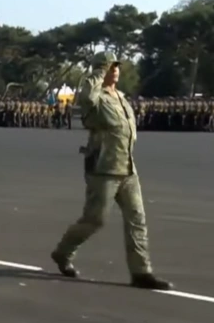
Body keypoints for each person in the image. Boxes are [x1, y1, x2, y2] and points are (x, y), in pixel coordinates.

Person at [51, 51, 173, 290]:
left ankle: (141, 272)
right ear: (100, 70)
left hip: (127, 168)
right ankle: (63, 252)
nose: (115, 70)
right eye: (109, 66)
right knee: (95, 219)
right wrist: (98, 73)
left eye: (116, 66)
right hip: (103, 168)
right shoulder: (95, 97)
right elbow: (87, 98)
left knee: (137, 219)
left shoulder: (120, 97)